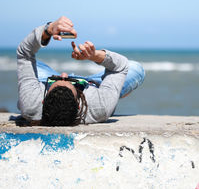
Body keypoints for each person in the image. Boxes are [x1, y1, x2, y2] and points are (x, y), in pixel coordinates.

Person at [17, 16, 145, 126]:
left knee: (31, 66)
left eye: (55, 81)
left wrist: (48, 30)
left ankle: (54, 85)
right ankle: (115, 92)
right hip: (93, 86)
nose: (64, 74)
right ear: (79, 104)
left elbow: (24, 53)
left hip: (41, 84)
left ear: (43, 100)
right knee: (136, 69)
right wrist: (94, 56)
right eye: (72, 82)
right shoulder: (100, 106)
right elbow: (121, 66)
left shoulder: (31, 104)